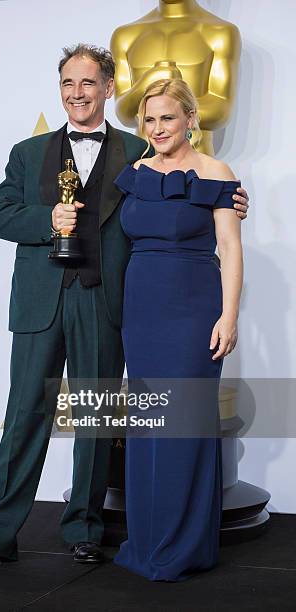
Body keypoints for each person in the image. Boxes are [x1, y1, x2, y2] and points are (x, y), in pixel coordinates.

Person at [0, 46, 249, 569]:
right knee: (24, 417)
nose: (76, 94)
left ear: (108, 88)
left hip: (107, 300)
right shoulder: (27, 151)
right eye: (67, 83)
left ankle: (83, 528)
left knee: (95, 416)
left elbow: (191, 188)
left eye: (87, 83)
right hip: (41, 303)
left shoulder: (138, 150)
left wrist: (234, 199)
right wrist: (47, 219)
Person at [113, 78, 243, 581]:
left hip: (193, 310)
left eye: (168, 117)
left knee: (183, 426)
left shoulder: (215, 172)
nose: (158, 128)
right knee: (148, 427)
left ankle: (183, 547)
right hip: (141, 311)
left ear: (191, 118)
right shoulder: (134, 173)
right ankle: (147, 541)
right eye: (149, 119)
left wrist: (228, 316)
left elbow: (229, 249)